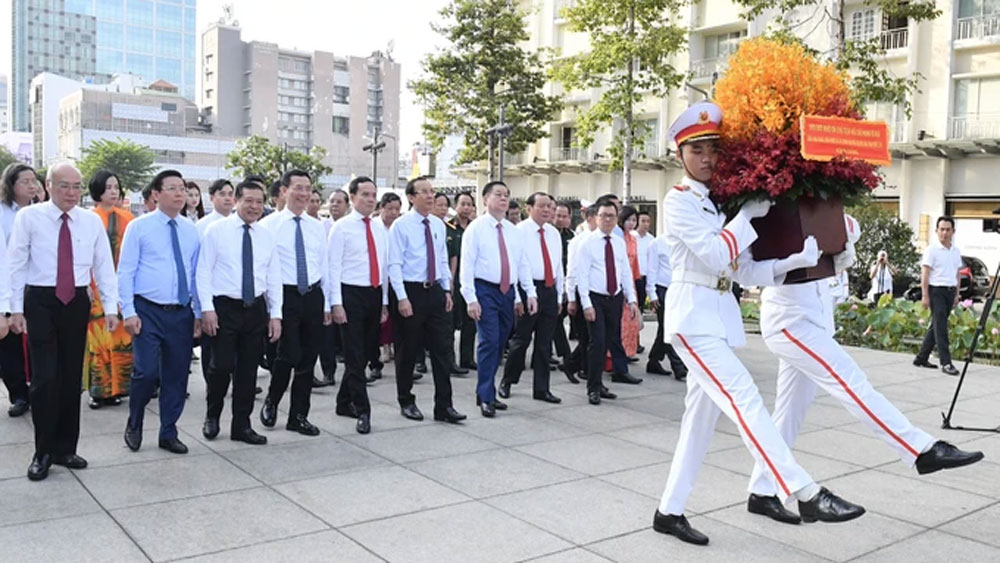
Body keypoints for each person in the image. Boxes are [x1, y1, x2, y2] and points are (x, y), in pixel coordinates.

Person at [653, 102, 863, 546]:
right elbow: (713, 255)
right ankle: (803, 490)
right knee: (745, 398)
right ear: (680, 155)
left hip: (718, 316)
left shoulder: (717, 206)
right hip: (692, 318)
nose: (707, 158)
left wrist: (794, 261)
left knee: (700, 420)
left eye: (714, 149)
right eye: (698, 150)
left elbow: (743, 270)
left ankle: (669, 510)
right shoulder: (679, 202)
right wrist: (746, 217)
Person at [747, 214, 984, 526]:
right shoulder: (775, 210)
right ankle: (919, 450)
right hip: (789, 320)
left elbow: (847, 231)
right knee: (852, 384)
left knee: (788, 416)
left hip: (815, 320)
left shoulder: (822, 205)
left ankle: (762, 491)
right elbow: (751, 266)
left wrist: (844, 245)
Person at [9, 162, 118, 481]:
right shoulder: (29, 217)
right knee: (44, 378)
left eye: (76, 186)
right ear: (48, 185)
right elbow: (15, 264)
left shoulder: (90, 222)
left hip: (76, 303)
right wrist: (14, 309)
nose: (71, 193)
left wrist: (111, 307)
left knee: (71, 377)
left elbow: (104, 266)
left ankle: (64, 448)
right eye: (64, 186)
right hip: (40, 300)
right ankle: (42, 451)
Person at [118, 170, 200, 455]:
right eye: (173, 188)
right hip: (147, 310)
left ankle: (168, 431)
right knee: (146, 371)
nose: (180, 194)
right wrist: (128, 311)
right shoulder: (139, 227)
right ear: (156, 194)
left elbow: (194, 274)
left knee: (177, 375)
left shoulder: (191, 229)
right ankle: (135, 421)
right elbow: (125, 271)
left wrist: (198, 312)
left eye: (183, 189)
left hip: (181, 312)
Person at [198, 180, 282, 445]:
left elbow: (273, 276)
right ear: (236, 200)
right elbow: (203, 272)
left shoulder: (266, 234)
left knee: (248, 371)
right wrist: (207, 309)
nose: (254, 207)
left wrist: (275, 314)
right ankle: (213, 416)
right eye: (249, 201)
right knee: (220, 366)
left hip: (254, 308)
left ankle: (242, 425)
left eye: (259, 202)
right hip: (224, 308)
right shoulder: (216, 231)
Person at [388, 176, 466, 423]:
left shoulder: (437, 224)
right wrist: (401, 298)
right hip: (410, 292)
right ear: (411, 197)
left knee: (443, 350)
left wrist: (446, 289)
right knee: (408, 349)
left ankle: (444, 406)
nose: (431, 196)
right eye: (424, 192)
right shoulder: (401, 226)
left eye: (432, 191)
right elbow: (394, 264)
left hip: (435, 291)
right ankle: (406, 400)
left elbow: (442, 259)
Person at [258, 170, 328, 436]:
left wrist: (327, 304)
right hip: (284, 296)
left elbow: (324, 265)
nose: (303, 193)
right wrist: (270, 308)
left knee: (309, 358)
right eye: (298, 188)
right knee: (288, 355)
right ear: (284, 191)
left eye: (307, 188)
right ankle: (272, 400)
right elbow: (263, 268)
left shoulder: (317, 226)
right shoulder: (268, 225)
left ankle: (299, 416)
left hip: (312, 295)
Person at [461, 181, 537, 417]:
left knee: (500, 342)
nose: (503, 199)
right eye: (498, 194)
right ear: (485, 199)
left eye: (506, 195)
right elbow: (467, 264)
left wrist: (528, 293)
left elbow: (520, 264)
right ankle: (486, 395)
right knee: (490, 342)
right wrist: (470, 298)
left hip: (507, 292)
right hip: (485, 290)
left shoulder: (513, 231)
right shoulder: (476, 228)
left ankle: (486, 390)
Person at [328, 177, 387, 434]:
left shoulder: (378, 227)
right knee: (353, 355)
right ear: (352, 198)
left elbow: (383, 267)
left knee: (362, 354)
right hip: (349, 294)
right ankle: (363, 410)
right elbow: (332, 268)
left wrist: (384, 302)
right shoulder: (340, 228)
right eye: (365, 194)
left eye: (373, 194)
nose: (371, 199)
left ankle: (343, 402)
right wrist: (336, 303)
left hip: (373, 294)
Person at [499, 192, 563, 404]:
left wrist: (560, 295)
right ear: (529, 208)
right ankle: (508, 380)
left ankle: (542, 388)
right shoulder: (519, 232)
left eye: (550, 206)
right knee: (521, 340)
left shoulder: (554, 233)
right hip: (527, 289)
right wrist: (517, 297)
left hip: (549, 289)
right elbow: (514, 266)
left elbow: (558, 266)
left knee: (545, 343)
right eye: (542, 206)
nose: (547, 210)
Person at [575, 200, 640, 405]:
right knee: (597, 342)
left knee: (610, 341)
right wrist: (586, 304)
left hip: (615, 297)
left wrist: (632, 299)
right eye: (603, 215)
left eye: (611, 216)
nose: (607, 219)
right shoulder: (587, 242)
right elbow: (582, 275)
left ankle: (600, 385)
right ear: (595, 217)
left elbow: (625, 273)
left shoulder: (619, 242)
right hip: (595, 298)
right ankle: (593, 387)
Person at [84, 171, 134, 410]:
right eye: (108, 187)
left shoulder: (128, 218)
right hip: (95, 286)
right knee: (98, 342)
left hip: (122, 286)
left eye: (116, 187)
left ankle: (118, 389)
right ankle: (98, 390)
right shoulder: (89, 218)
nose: (113, 192)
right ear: (97, 190)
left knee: (121, 340)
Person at [0, 163, 37, 417]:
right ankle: (19, 396)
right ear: (11, 185)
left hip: (36, 288)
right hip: (10, 286)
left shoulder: (40, 213)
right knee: (10, 347)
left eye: (34, 180)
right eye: (25, 181)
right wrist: (7, 305)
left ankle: (38, 391)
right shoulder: (3, 213)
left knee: (37, 343)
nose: (32, 185)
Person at [195, 179, 236, 386]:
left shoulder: (241, 224)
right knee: (210, 343)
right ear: (211, 198)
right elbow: (199, 266)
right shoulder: (202, 226)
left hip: (234, 295)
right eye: (222, 194)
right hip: (210, 294)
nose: (228, 198)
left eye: (230, 194)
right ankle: (212, 382)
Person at [913, 217, 963, 376]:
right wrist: (925, 295)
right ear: (936, 231)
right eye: (941, 229)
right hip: (936, 291)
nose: (944, 233)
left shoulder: (955, 251)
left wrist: (957, 294)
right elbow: (925, 274)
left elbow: (957, 273)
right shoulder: (931, 250)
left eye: (948, 229)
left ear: (953, 232)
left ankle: (921, 357)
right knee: (941, 326)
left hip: (949, 291)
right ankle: (946, 362)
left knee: (936, 324)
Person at [645, 232, 687, 380]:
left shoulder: (683, 241)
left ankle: (654, 360)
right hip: (662, 288)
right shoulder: (657, 243)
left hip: (679, 288)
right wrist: (652, 293)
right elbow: (651, 269)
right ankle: (678, 366)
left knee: (665, 328)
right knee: (670, 327)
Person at [563, 206, 598, 384]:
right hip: (580, 291)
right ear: (591, 218)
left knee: (595, 337)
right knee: (587, 336)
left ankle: (577, 365)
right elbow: (572, 270)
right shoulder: (580, 241)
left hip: (598, 293)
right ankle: (576, 365)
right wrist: (571, 298)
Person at [319, 188, 350, 385]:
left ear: (347, 205)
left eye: (340, 201)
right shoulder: (320, 226)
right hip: (326, 284)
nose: (335, 205)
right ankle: (328, 371)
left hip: (347, 285)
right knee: (327, 333)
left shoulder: (351, 227)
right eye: (332, 201)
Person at [371, 191, 403, 381]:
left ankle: (400, 361)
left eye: (397, 209)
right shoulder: (374, 227)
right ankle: (375, 362)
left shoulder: (400, 228)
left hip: (396, 281)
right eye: (389, 208)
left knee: (398, 323)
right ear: (381, 208)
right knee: (377, 323)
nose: (393, 212)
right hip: (377, 281)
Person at [448, 191, 478, 370]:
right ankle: (450, 361)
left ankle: (467, 358)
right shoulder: (448, 227)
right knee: (450, 323)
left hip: (472, 281)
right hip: (454, 280)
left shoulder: (475, 228)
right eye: (463, 204)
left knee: (470, 322)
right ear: (456, 206)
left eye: (469, 204)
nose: (466, 208)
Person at [618, 206, 643, 362]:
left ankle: (627, 352)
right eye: (629, 220)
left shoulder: (633, 239)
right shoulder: (617, 237)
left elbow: (635, 263)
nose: (631, 223)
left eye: (634, 220)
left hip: (630, 282)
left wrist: (636, 280)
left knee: (630, 322)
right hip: (618, 282)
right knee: (620, 322)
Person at [553, 202, 575, 362]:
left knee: (556, 319)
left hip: (566, 282)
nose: (560, 219)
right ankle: (565, 355)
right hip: (550, 282)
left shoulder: (571, 236)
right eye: (557, 215)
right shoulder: (549, 234)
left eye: (564, 216)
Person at [633, 211, 655, 315]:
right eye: (643, 221)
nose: (646, 224)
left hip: (645, 276)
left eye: (648, 221)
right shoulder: (631, 237)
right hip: (633, 277)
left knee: (640, 304)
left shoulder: (651, 240)